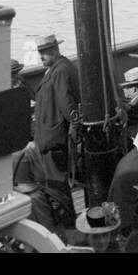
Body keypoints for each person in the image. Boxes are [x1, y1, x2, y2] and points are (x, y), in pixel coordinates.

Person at [31, 33, 78, 226]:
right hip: (49, 137)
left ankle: (68, 223)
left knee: (57, 185)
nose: (41, 56)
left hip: (53, 138)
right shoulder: (56, 69)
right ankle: (65, 219)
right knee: (54, 183)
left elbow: (66, 103)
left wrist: (75, 123)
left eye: (44, 52)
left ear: (55, 50)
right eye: (39, 52)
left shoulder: (60, 71)